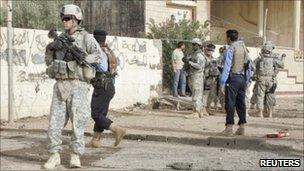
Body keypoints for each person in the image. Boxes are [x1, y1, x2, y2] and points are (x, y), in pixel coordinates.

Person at [44, 4, 103, 169]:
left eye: (67, 18)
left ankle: (75, 155)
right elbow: (48, 63)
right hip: (61, 85)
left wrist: (83, 58)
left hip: (78, 85)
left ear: (76, 19)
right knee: (54, 122)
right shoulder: (59, 39)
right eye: (63, 18)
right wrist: (50, 49)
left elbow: (98, 56)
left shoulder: (86, 38)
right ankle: (54, 155)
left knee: (78, 122)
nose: (64, 21)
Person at [88, 30, 126, 148]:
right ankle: (96, 139)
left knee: (95, 114)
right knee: (101, 113)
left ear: (94, 40)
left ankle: (116, 129)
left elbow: (102, 67)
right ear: (104, 40)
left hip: (102, 86)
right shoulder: (109, 50)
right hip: (109, 87)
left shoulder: (99, 52)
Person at [219, 29, 252, 136]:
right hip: (242, 79)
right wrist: (247, 80)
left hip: (233, 79)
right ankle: (242, 127)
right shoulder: (243, 47)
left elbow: (227, 67)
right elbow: (249, 64)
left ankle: (229, 128)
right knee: (240, 103)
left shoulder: (230, 49)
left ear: (228, 38)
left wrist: (222, 83)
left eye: (226, 37)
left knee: (230, 103)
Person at [253, 41, 284, 118]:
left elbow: (252, 67)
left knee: (260, 96)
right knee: (270, 96)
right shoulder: (273, 59)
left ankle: (260, 113)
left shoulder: (259, 59)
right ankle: (270, 114)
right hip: (270, 80)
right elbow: (282, 65)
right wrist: (281, 59)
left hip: (261, 79)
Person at [184, 38, 207, 118]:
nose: (193, 46)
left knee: (196, 94)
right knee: (196, 94)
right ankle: (199, 111)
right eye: (192, 44)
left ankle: (196, 112)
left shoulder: (199, 55)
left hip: (197, 76)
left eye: (194, 44)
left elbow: (199, 66)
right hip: (193, 75)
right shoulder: (194, 54)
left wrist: (190, 62)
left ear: (199, 45)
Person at [204, 44, 220, 112]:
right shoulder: (203, 58)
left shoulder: (214, 59)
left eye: (212, 50)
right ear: (206, 50)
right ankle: (203, 108)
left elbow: (216, 69)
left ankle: (208, 107)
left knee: (212, 94)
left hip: (213, 79)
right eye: (209, 50)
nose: (210, 52)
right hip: (205, 78)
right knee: (204, 94)